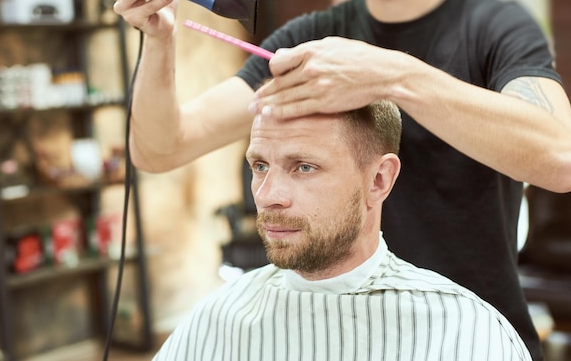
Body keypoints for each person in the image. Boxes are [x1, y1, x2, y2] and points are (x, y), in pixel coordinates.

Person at [76, 0, 571, 359]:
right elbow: (162, 149)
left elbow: (560, 157)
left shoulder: (493, 27)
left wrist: (394, 76)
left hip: (460, 336)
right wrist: (158, 40)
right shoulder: (310, 39)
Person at [152, 100, 531, 360]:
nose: (267, 197)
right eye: (260, 166)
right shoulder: (219, 317)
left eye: (304, 167)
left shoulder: (462, 333)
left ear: (379, 180)